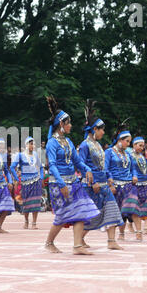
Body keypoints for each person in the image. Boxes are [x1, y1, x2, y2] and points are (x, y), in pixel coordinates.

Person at [43, 96, 99, 255]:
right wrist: (61, 184)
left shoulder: (68, 142)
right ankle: (49, 242)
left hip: (73, 182)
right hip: (58, 183)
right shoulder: (51, 143)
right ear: (61, 124)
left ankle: (77, 246)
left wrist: (87, 169)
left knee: (81, 211)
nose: (71, 126)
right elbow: (52, 165)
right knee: (62, 216)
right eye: (69, 123)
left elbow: (77, 161)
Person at [78, 106, 124, 250]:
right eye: (101, 129)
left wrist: (109, 177)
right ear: (94, 130)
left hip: (104, 184)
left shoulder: (98, 145)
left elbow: (103, 165)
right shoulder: (85, 145)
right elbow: (81, 165)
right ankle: (79, 239)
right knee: (92, 215)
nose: (103, 132)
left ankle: (111, 241)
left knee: (112, 209)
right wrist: (93, 183)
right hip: (92, 185)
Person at [105, 122, 141, 241]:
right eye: (127, 141)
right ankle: (120, 234)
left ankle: (139, 231)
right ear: (119, 140)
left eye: (129, 142)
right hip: (116, 185)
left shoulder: (128, 154)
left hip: (129, 185)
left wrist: (135, 176)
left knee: (133, 206)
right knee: (119, 211)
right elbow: (106, 168)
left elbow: (133, 168)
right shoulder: (109, 152)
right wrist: (110, 184)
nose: (128, 144)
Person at [10, 137, 44, 230]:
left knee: (36, 202)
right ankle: (26, 221)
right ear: (26, 145)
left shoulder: (36, 155)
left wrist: (41, 178)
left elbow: (41, 167)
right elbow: (12, 167)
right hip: (25, 182)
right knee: (26, 203)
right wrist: (17, 179)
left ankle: (34, 222)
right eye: (31, 144)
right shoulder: (20, 155)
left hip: (36, 180)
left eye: (33, 144)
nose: (32, 146)